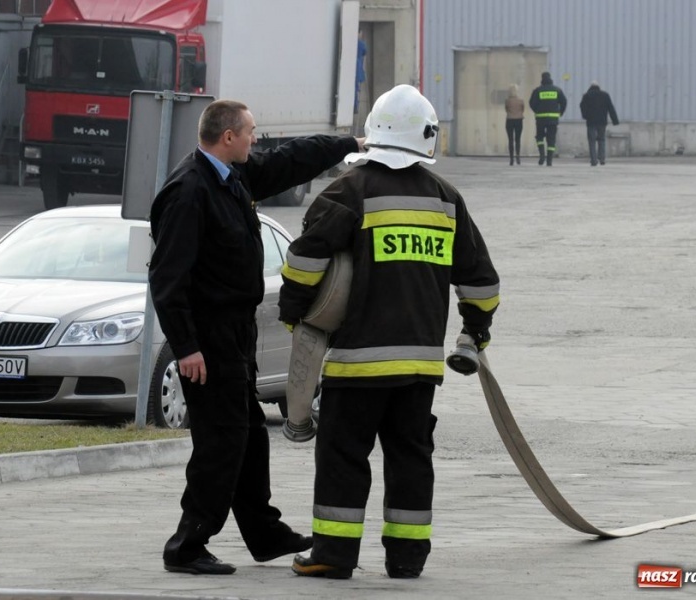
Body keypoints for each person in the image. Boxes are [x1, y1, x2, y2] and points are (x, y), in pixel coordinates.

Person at [278, 84, 500, 580]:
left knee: (342, 456)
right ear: (427, 138)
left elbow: (304, 262)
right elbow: (482, 283)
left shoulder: (348, 191)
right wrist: (474, 331)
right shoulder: (446, 199)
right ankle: (406, 559)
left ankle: (333, 554)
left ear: (374, 132)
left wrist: (295, 315)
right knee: (410, 458)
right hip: (419, 366)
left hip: (357, 362)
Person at [148, 100, 362, 576]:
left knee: (248, 436)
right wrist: (187, 347)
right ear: (228, 137)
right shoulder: (190, 191)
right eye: (250, 132)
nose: (255, 139)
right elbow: (167, 278)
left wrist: (348, 144)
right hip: (208, 339)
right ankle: (187, 545)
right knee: (221, 442)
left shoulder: (233, 176)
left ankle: (265, 535)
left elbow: (289, 160)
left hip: (235, 335)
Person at [529, 71, 567, 166]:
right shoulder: (557, 90)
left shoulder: (537, 90)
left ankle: (542, 156)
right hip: (553, 119)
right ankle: (549, 160)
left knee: (539, 137)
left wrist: (537, 110)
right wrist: (560, 112)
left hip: (540, 118)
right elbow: (564, 102)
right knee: (551, 139)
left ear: (542, 79)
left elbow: (531, 103)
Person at [579, 81, 620, 166]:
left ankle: (593, 160)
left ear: (590, 87)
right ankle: (602, 159)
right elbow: (610, 107)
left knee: (592, 141)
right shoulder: (605, 95)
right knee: (601, 139)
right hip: (602, 121)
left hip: (591, 121)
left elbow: (582, 106)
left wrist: (585, 116)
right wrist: (615, 120)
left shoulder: (587, 95)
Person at [504, 83, 525, 165]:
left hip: (509, 120)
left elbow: (506, 109)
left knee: (510, 139)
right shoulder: (521, 100)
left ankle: (511, 158)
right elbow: (523, 109)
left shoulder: (507, 101)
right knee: (518, 139)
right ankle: (518, 156)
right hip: (519, 120)